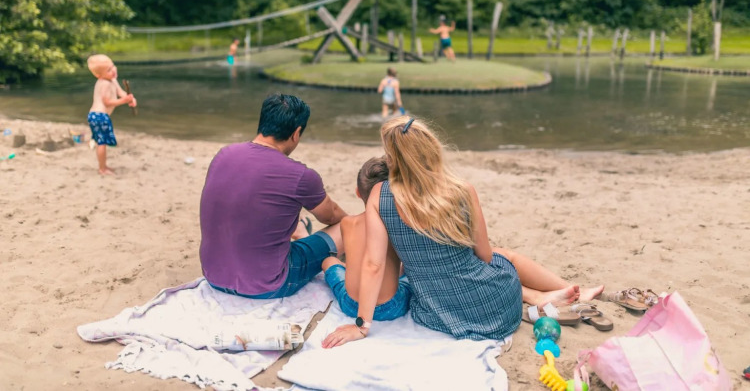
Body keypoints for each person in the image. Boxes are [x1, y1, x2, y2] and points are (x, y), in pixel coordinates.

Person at [322, 116, 603, 348]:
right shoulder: (462, 189)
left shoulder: (381, 195)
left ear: (395, 158)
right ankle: (547, 293)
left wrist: (361, 326)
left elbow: (373, 264)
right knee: (504, 259)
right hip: (501, 308)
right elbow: (485, 254)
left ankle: (543, 296)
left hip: (437, 315)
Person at [199, 93, 349, 299]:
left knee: (287, 216)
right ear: (296, 133)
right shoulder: (300, 175)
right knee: (349, 226)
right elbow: (333, 217)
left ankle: (301, 235)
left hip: (214, 277)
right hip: (268, 285)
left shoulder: (223, 154)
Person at [322, 156, 411, 322]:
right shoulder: (396, 222)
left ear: (357, 192)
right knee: (408, 276)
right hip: (391, 307)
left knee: (328, 261)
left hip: (351, 305)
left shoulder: (348, 223)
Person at [86, 54, 136, 176]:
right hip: (98, 116)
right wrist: (124, 101)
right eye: (108, 70)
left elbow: (121, 92)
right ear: (99, 75)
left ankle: (104, 165)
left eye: (112, 66)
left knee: (103, 142)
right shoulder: (104, 83)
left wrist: (130, 99)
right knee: (101, 142)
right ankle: (102, 169)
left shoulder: (112, 80)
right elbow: (107, 102)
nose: (113, 70)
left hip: (102, 117)